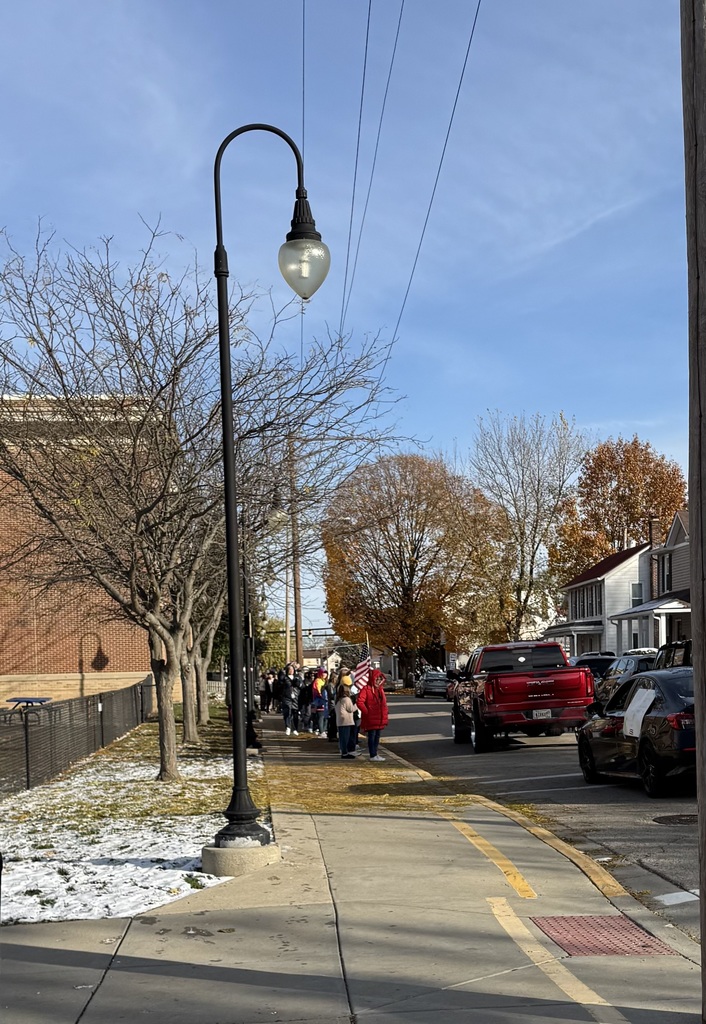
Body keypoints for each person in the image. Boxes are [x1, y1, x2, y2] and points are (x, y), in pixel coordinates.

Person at [357, 668, 389, 761]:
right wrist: (367, 712)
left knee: (377, 736)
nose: (378, 681)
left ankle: (375, 754)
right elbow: (360, 702)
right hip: (371, 718)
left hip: (379, 718)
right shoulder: (366, 689)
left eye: (379, 679)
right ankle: (372, 755)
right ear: (372, 679)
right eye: (376, 679)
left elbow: (383, 704)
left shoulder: (380, 690)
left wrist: (386, 712)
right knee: (372, 736)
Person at [335, 680, 356, 759]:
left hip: (340, 721)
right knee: (345, 738)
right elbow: (351, 709)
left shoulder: (338, 699)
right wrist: (356, 705)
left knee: (342, 737)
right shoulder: (347, 699)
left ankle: (343, 751)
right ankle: (345, 752)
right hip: (346, 721)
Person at [280, 663, 301, 736]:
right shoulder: (284, 678)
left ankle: (295, 729)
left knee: (295, 713)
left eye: (292, 669)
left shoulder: (296, 677)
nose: (291, 671)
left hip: (295, 697)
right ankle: (288, 727)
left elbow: (299, 685)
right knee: (287, 712)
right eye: (290, 669)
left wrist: (296, 679)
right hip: (287, 697)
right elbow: (280, 677)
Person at [311, 668, 329, 736]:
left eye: (326, 673)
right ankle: (321, 731)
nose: (324, 674)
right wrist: (322, 696)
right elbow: (317, 691)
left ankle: (324, 730)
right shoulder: (317, 681)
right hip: (319, 701)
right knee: (321, 716)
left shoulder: (325, 681)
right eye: (323, 673)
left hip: (325, 701)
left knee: (326, 716)